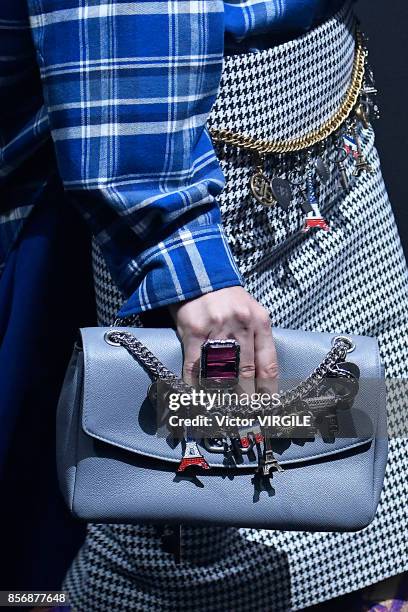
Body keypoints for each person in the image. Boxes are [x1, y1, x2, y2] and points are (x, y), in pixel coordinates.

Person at [1, 0, 407, 610]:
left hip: (324, 129)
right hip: (187, 160)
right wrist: (180, 251)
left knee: (366, 509)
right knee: (176, 529)